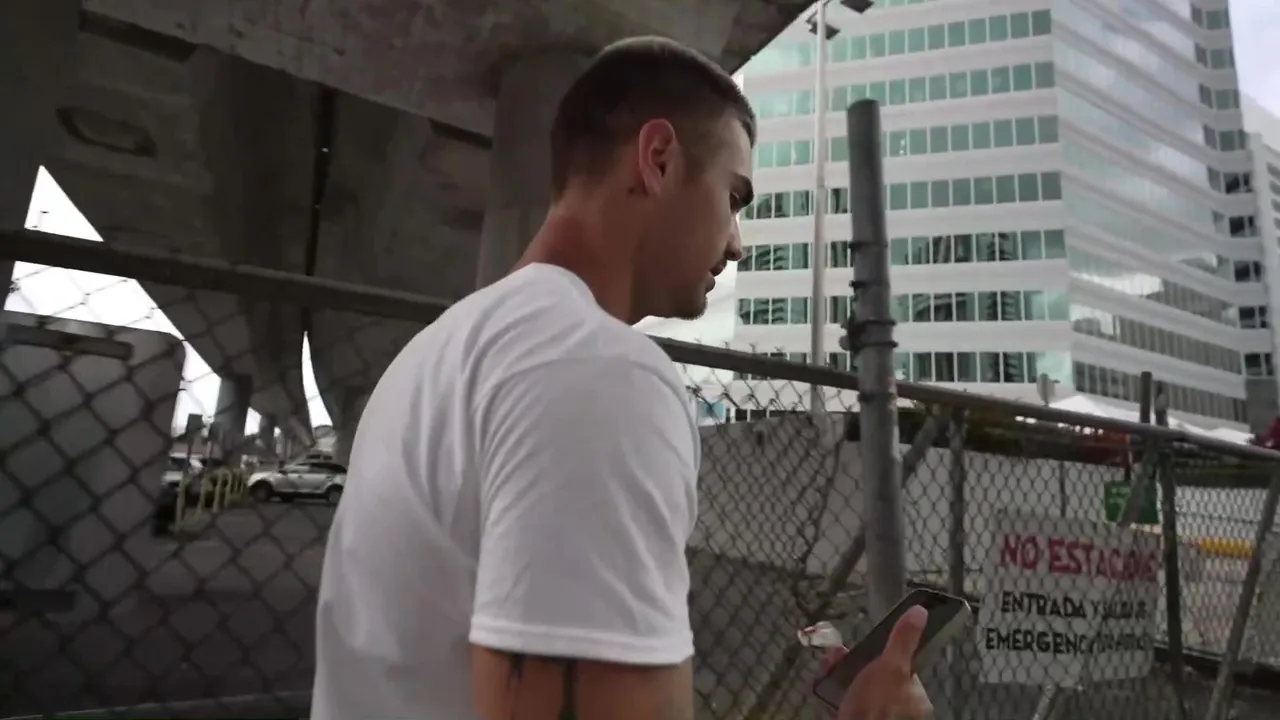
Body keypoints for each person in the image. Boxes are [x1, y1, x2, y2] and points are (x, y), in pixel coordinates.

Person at [310, 36, 933, 720]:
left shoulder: (435, 352)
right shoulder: (596, 372)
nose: (736, 243)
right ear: (658, 159)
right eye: (733, 197)